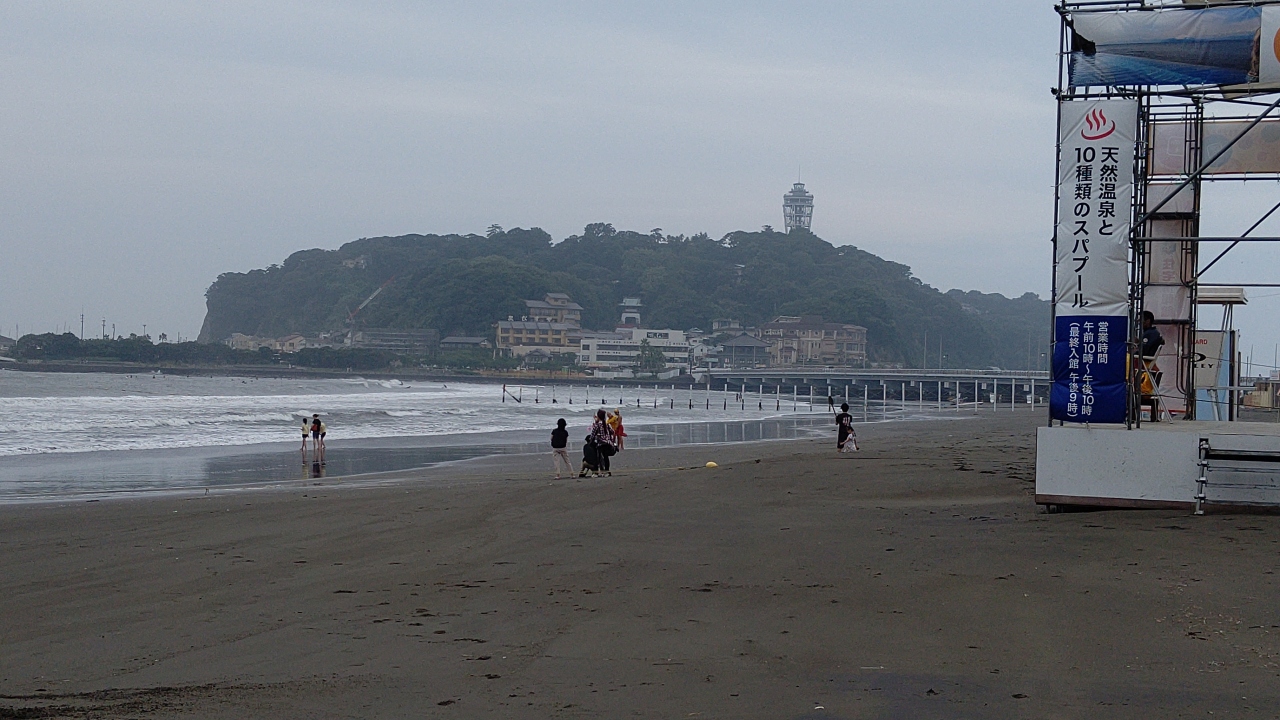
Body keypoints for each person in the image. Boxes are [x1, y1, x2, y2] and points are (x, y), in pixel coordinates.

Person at [588, 409, 616, 476]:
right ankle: (607, 471)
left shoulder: (597, 425)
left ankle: (596, 472)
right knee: (606, 457)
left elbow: (592, 435)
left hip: (600, 443)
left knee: (598, 457)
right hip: (607, 443)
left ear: (598, 416)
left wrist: (590, 441)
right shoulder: (607, 424)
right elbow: (612, 432)